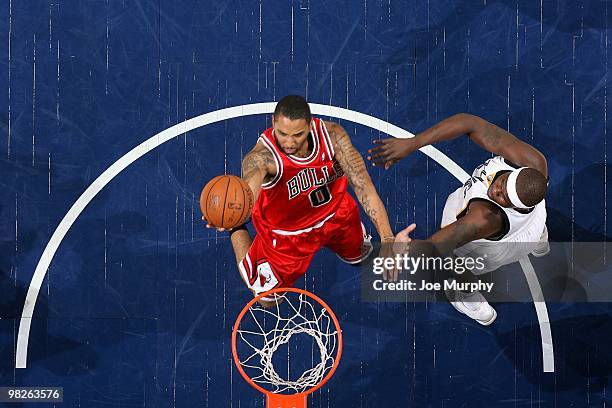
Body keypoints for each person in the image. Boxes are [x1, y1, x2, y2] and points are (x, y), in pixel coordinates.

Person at [208, 95, 395, 306]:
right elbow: (248, 192)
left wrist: (388, 239)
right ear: (273, 123)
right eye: (282, 134)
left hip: (337, 216)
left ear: (310, 125)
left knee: (363, 256)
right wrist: (233, 216)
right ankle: (237, 230)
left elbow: (364, 188)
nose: (289, 142)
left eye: (298, 134)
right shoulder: (262, 159)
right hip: (288, 236)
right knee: (267, 300)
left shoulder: (333, 137)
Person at [368, 113, 549, 325]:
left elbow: (434, 248)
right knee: (535, 225)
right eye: (504, 182)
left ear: (512, 205)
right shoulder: (535, 163)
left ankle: (470, 300)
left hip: (494, 249)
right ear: (519, 171)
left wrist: (399, 249)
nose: (497, 189)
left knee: (450, 262)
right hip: (534, 222)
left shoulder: (484, 217)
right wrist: (413, 143)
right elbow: (470, 123)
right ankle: (540, 243)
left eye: (503, 197)